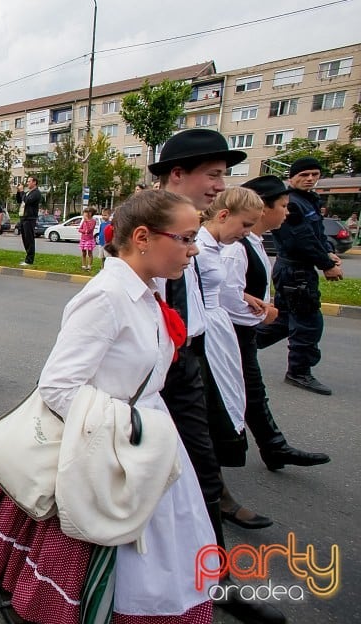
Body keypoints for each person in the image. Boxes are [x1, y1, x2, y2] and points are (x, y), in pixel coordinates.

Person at [0, 190, 216, 624]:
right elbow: (58, 386)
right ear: (142, 237)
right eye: (187, 238)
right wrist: (126, 431)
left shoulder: (146, 289)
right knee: (79, 535)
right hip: (112, 438)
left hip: (139, 432)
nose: (193, 251)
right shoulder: (107, 296)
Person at [150, 129, 283, 624]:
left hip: (189, 362)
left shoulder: (192, 231)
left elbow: (201, 300)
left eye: (222, 176)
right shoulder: (149, 227)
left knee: (203, 474)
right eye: (213, 174)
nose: (218, 185)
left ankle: (216, 581)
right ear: (178, 174)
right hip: (158, 371)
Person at [225, 176, 331, 472]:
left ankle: (273, 446)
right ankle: (256, 448)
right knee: (244, 391)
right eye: (282, 206)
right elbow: (221, 293)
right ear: (262, 207)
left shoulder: (254, 242)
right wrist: (262, 312)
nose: (287, 212)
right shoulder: (237, 247)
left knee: (251, 391)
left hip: (244, 330)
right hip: (233, 331)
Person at [256, 157, 342, 396]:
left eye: (315, 174)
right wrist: (325, 263)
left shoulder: (308, 201)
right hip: (294, 270)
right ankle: (299, 371)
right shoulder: (291, 203)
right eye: (304, 175)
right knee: (308, 322)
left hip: (298, 270)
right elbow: (300, 239)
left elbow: (318, 234)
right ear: (292, 177)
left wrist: (329, 253)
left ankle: (242, 346)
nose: (310, 179)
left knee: (283, 320)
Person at [196, 187, 263, 488]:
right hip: (204, 327)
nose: (247, 233)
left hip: (216, 326)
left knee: (224, 395)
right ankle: (213, 487)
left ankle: (213, 482)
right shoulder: (198, 245)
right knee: (211, 401)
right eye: (245, 225)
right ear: (223, 215)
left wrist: (245, 296)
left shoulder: (217, 246)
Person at [19, 176, 41, 266]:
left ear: (34, 182)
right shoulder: (28, 192)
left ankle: (29, 260)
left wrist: (21, 192)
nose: (27, 183)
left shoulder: (36, 193)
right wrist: (19, 193)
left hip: (30, 218)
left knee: (29, 239)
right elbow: (20, 200)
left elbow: (27, 201)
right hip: (23, 217)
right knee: (25, 239)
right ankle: (27, 257)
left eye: (29, 181)